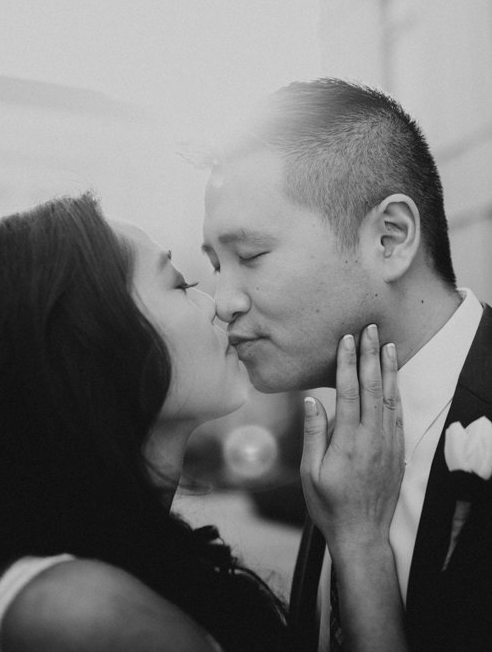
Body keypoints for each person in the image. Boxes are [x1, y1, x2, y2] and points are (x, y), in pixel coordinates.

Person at [0, 191, 404, 652]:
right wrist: (360, 543)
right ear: (95, 349)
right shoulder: (81, 615)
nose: (218, 305)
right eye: (180, 284)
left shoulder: (117, 566)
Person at [202, 78, 492, 652]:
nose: (223, 300)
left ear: (390, 239)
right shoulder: (343, 432)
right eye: (215, 265)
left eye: (251, 256)